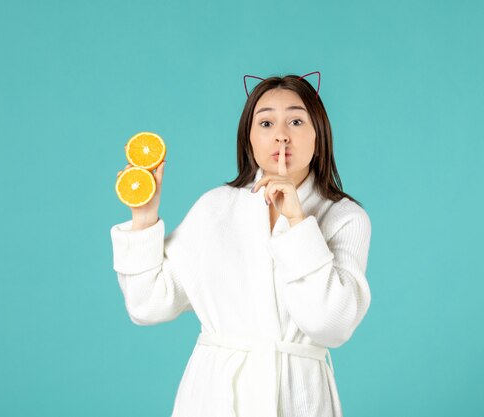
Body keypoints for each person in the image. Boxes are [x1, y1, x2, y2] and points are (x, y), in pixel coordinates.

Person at [110, 71, 372, 417]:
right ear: (248, 139)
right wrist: (144, 217)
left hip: (299, 398)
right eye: (265, 124)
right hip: (215, 396)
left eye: (296, 121)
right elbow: (148, 305)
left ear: (319, 136)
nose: (281, 135)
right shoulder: (215, 207)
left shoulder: (343, 217)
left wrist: (298, 223)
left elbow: (330, 324)